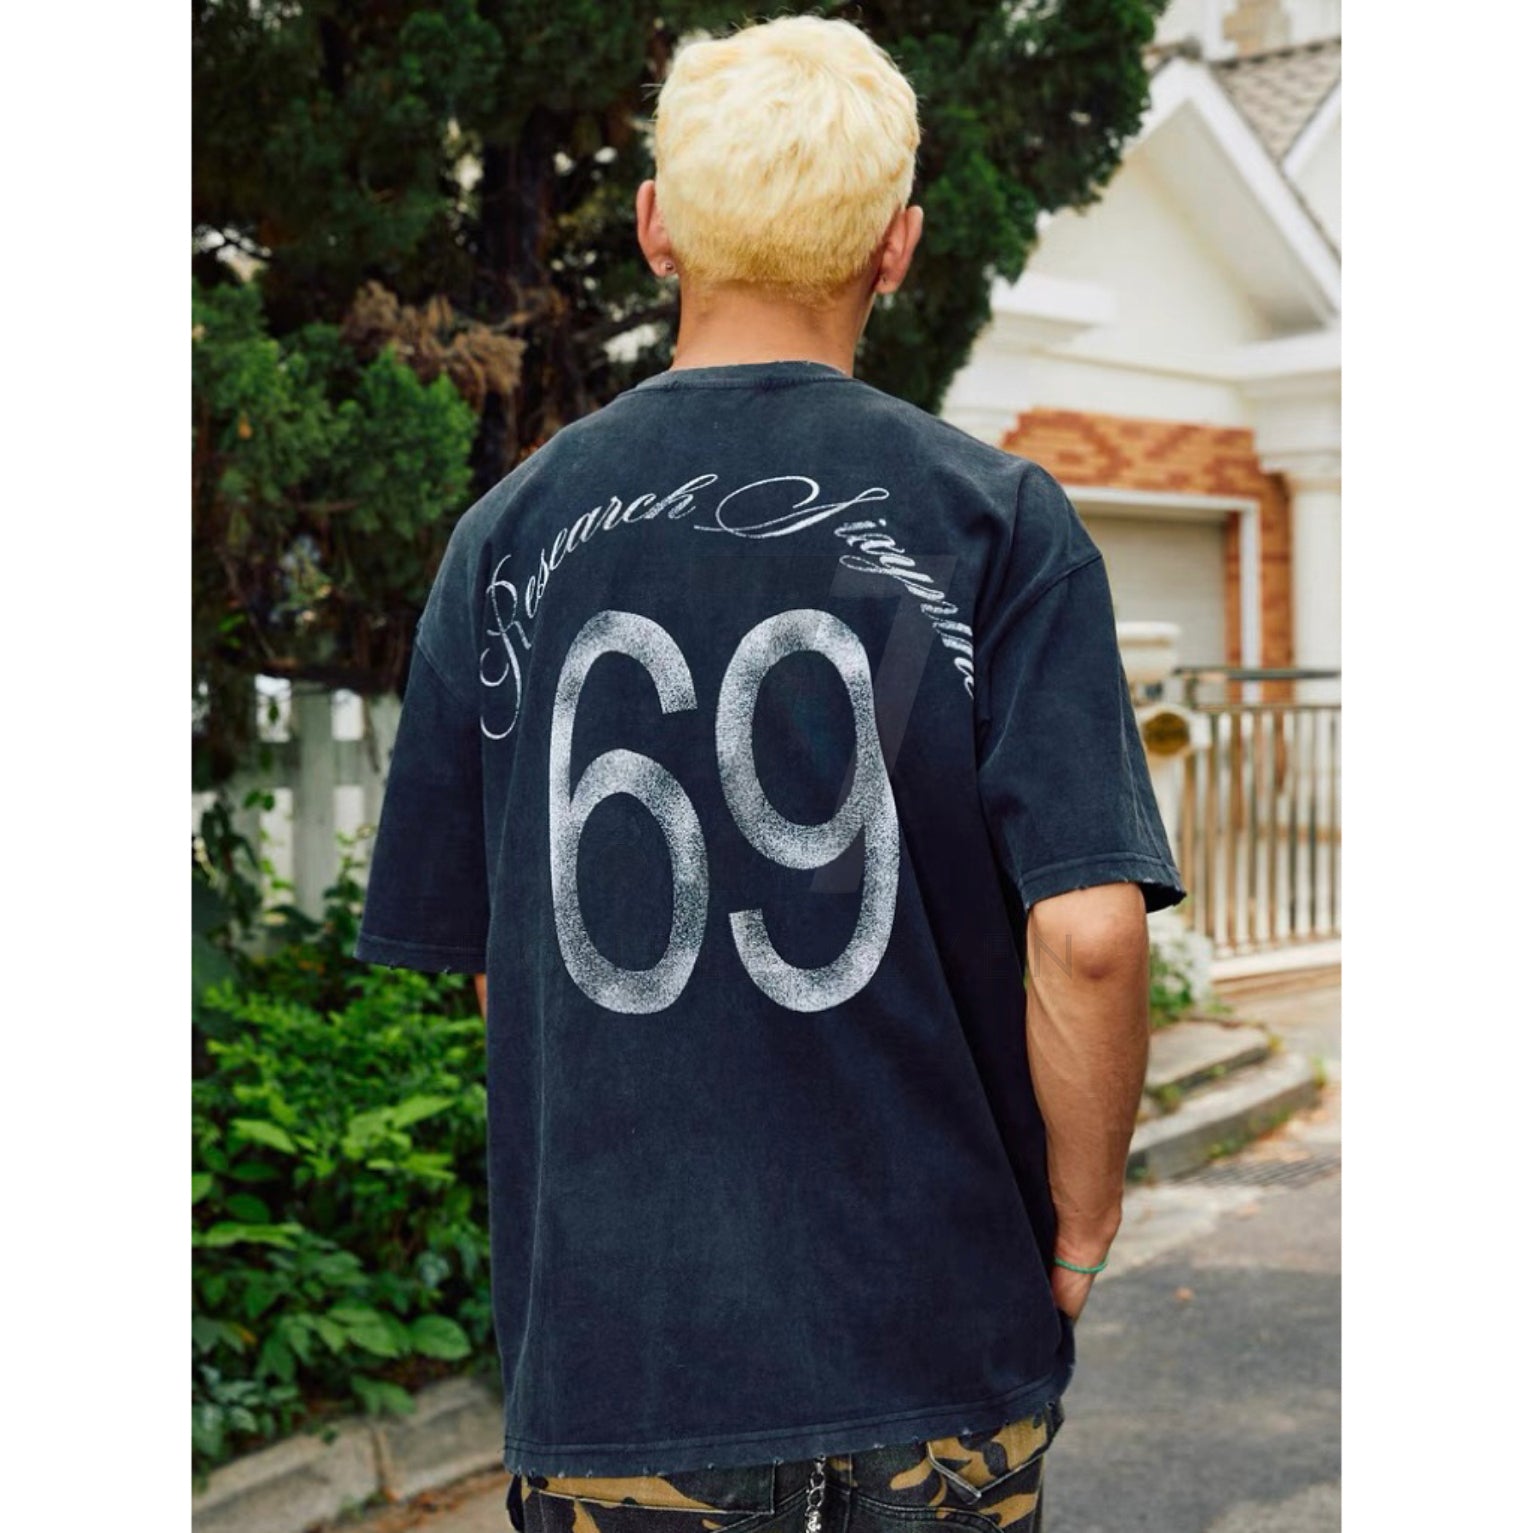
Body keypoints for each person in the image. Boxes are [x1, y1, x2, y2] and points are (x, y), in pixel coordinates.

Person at [353, 14, 1186, 1533]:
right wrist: (1078, 1226)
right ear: (897, 247)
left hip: (624, 1374)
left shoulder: (505, 543)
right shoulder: (998, 523)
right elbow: (1086, 936)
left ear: (656, 227)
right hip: (936, 1356)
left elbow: (502, 962)